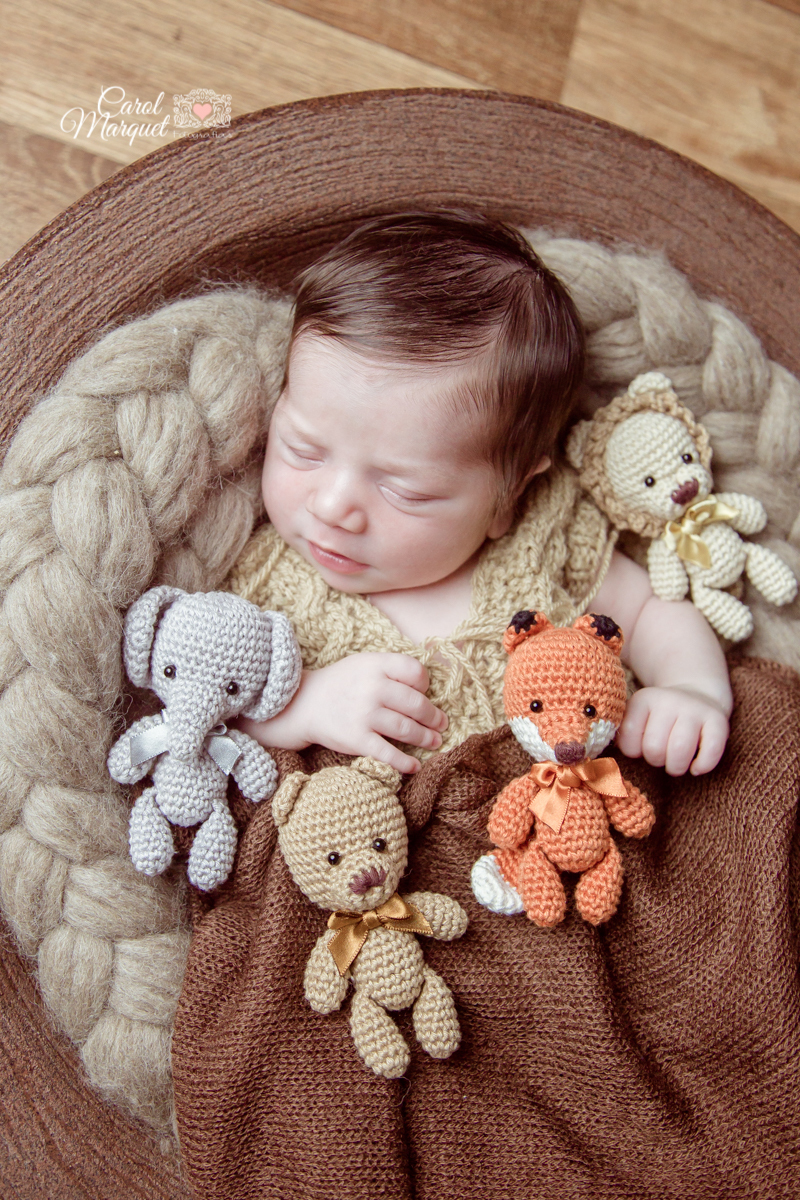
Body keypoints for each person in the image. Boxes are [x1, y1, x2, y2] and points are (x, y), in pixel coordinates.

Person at [230, 210, 732, 778]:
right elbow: (203, 706)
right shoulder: (263, 585)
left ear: (509, 497)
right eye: (303, 450)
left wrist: (692, 690)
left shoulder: (541, 543)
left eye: (405, 490)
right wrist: (302, 707)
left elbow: (650, 611)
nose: (331, 507)